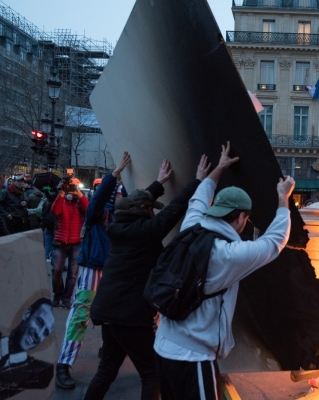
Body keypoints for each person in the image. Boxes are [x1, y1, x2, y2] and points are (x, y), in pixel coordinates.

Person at [153, 141, 294, 400]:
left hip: (163, 347)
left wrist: (218, 169)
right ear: (241, 218)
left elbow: (199, 198)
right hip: (193, 357)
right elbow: (275, 242)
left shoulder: (191, 227)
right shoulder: (228, 255)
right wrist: (283, 198)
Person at [85, 155, 206, 400]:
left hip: (108, 312)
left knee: (106, 371)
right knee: (152, 372)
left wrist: (158, 184)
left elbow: (138, 203)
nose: (153, 212)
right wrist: (198, 183)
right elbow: (173, 211)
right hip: (131, 317)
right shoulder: (146, 231)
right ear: (144, 212)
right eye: (150, 209)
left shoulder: (119, 229)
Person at [54, 152, 131, 390]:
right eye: (114, 192)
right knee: (80, 316)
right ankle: (64, 365)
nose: (118, 195)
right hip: (92, 269)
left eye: (120, 192)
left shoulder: (124, 216)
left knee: (115, 315)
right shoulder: (98, 213)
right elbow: (97, 202)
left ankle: (107, 350)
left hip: (113, 271)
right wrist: (115, 175)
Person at [0, 298, 55, 398]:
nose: (39, 334)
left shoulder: (39, 373)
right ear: (27, 314)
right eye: (39, 322)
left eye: (45, 333)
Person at [51, 177, 89, 309]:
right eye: (70, 187)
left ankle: (66, 298)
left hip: (76, 242)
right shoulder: (61, 200)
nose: (71, 190)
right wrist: (61, 194)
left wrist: (79, 194)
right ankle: (57, 294)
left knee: (72, 274)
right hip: (60, 241)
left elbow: (89, 210)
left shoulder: (80, 201)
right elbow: (55, 211)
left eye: (74, 187)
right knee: (56, 270)